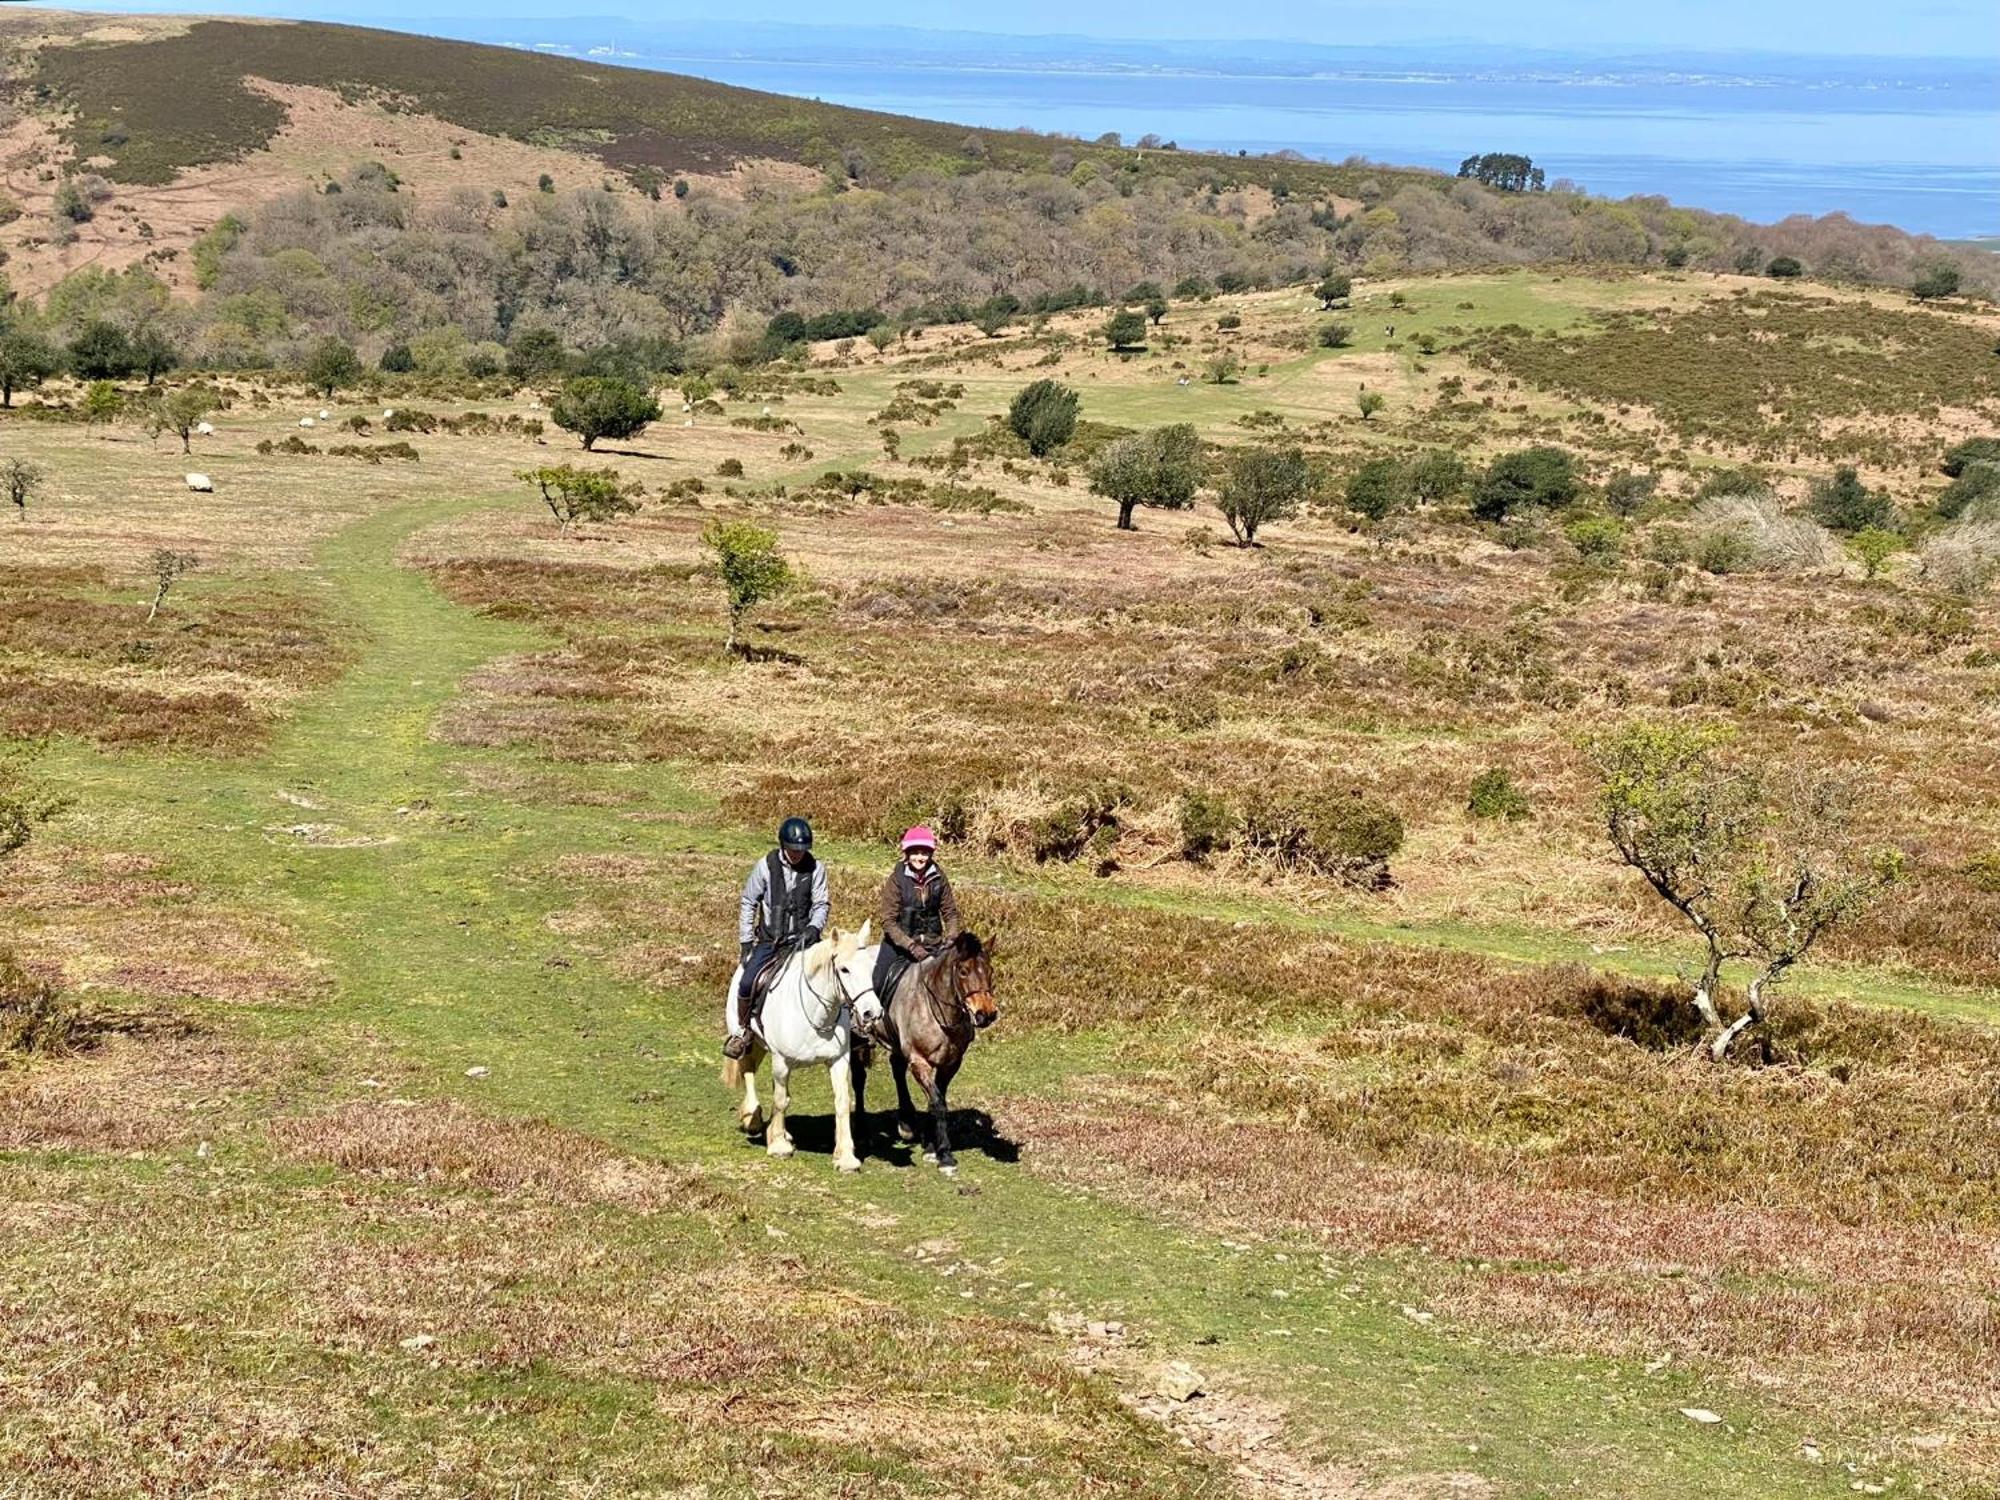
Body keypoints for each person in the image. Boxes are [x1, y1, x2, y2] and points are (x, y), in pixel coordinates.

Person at [725, 816, 829, 1059]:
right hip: (771, 942)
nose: (797, 855)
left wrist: (814, 927)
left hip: (805, 941)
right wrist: (746, 941)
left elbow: (821, 903)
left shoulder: (816, 869)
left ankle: (850, 1029)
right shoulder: (765, 866)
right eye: (793, 850)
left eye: (802, 850)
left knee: (836, 974)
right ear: (784, 846)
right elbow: (749, 901)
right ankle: (742, 1032)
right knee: (748, 981)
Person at [872, 826, 962, 1007]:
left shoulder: (939, 878)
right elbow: (888, 921)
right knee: (878, 981)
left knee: (959, 980)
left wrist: (951, 937)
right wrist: (911, 946)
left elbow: (950, 912)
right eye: (915, 853)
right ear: (907, 853)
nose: (920, 858)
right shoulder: (896, 879)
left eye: (924, 853)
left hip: (933, 943)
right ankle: (873, 1024)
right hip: (900, 945)